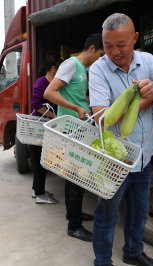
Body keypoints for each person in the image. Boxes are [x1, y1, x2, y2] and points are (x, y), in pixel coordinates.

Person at [88, 14, 153, 266]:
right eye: (108, 46)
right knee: (107, 216)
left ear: (135, 38)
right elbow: (102, 119)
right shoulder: (97, 69)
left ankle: (132, 252)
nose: (114, 52)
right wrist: (139, 98)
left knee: (139, 212)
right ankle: (103, 261)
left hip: (143, 157)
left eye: (121, 44)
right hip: (113, 160)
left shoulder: (148, 61)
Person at [44, 33, 105, 242]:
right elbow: (49, 93)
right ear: (92, 48)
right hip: (71, 128)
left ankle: (74, 214)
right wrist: (76, 108)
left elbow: (78, 94)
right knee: (77, 177)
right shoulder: (71, 64)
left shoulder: (85, 70)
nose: (102, 58)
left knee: (74, 176)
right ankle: (75, 227)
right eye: (102, 54)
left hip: (81, 128)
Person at [29, 56, 63, 204]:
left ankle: (36, 190)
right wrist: (54, 116)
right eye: (60, 69)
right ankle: (40, 195)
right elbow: (36, 103)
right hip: (39, 126)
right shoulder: (42, 81)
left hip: (47, 127)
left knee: (42, 160)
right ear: (54, 69)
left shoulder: (56, 84)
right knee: (39, 161)